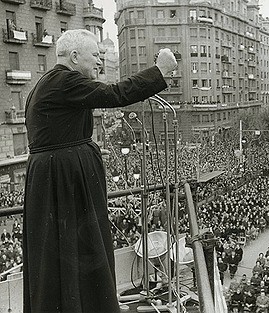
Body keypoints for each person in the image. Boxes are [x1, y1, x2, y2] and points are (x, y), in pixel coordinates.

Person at [22, 29, 176, 313]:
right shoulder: (65, 80)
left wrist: (81, 148)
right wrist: (160, 71)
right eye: (95, 55)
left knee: (62, 252)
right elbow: (116, 94)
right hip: (64, 178)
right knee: (80, 247)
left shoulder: (50, 82)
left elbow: (52, 133)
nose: (100, 63)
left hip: (58, 174)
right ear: (74, 56)